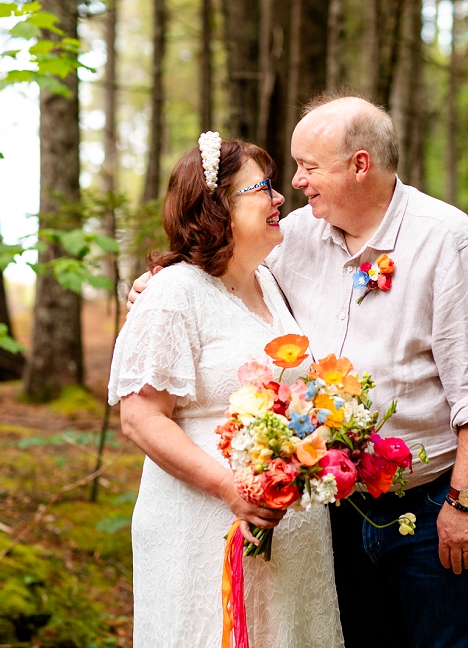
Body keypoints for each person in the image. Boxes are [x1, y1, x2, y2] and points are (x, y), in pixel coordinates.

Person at [131, 93, 468, 648]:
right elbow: (216, 271)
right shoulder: (295, 239)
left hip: (435, 503)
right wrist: (153, 285)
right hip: (336, 512)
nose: (295, 183)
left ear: (359, 165)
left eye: (309, 167)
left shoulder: (448, 241)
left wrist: (464, 501)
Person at [108, 135, 344, 648]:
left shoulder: (272, 284)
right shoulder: (173, 294)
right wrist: (228, 489)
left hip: (293, 539)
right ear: (219, 208)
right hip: (202, 527)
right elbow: (141, 419)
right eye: (264, 188)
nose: (281, 198)